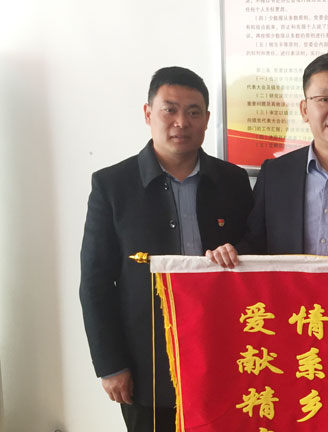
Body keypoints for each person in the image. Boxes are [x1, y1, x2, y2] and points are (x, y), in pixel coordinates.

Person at [79, 66, 253, 431]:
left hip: (223, 352)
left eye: (193, 112)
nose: (181, 122)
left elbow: (255, 251)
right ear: (148, 113)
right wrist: (110, 365)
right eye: (169, 110)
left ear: (207, 119)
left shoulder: (234, 181)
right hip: (147, 362)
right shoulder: (113, 186)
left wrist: (235, 252)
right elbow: (95, 283)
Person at [207, 52, 328, 266]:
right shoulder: (275, 174)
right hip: (290, 289)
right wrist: (231, 253)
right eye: (324, 99)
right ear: (304, 110)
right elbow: (255, 243)